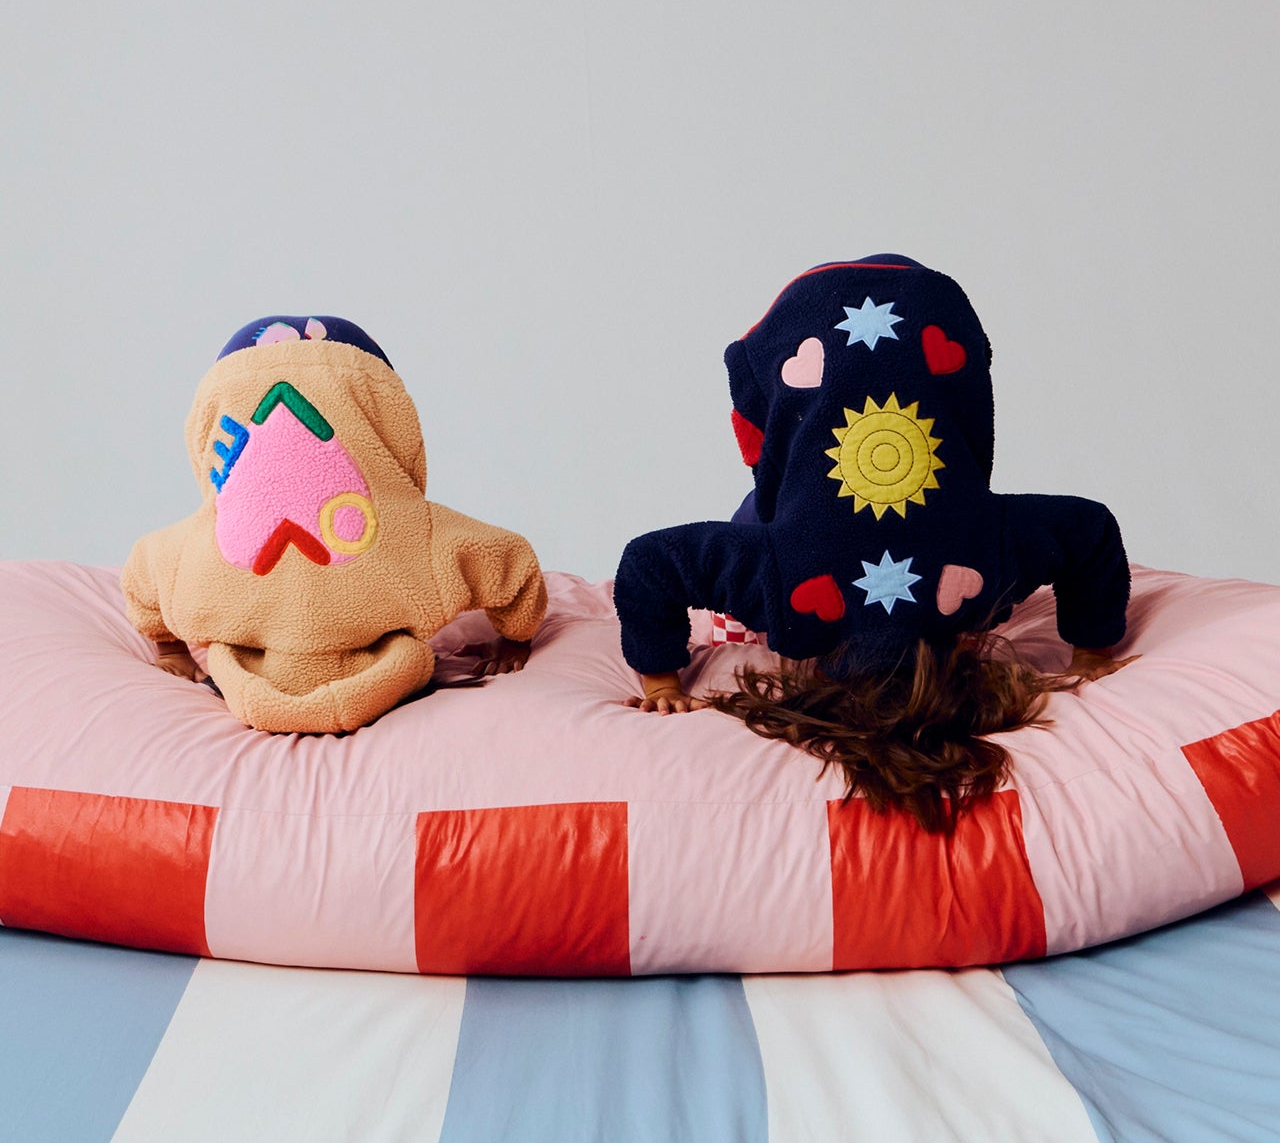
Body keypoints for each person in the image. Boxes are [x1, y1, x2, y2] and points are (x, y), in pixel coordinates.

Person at [612, 257, 1135, 831]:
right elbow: (648, 564)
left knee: (863, 466)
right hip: (795, 326)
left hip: (935, 310)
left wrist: (1092, 645)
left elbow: (1091, 530)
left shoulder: (981, 578)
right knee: (774, 497)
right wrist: (659, 676)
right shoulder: (786, 595)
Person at [122, 314, 545, 733]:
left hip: (247, 677)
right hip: (387, 674)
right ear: (388, 423)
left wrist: (171, 649)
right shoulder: (421, 534)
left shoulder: (191, 555)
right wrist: (515, 637)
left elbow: (144, 577)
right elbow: (510, 565)